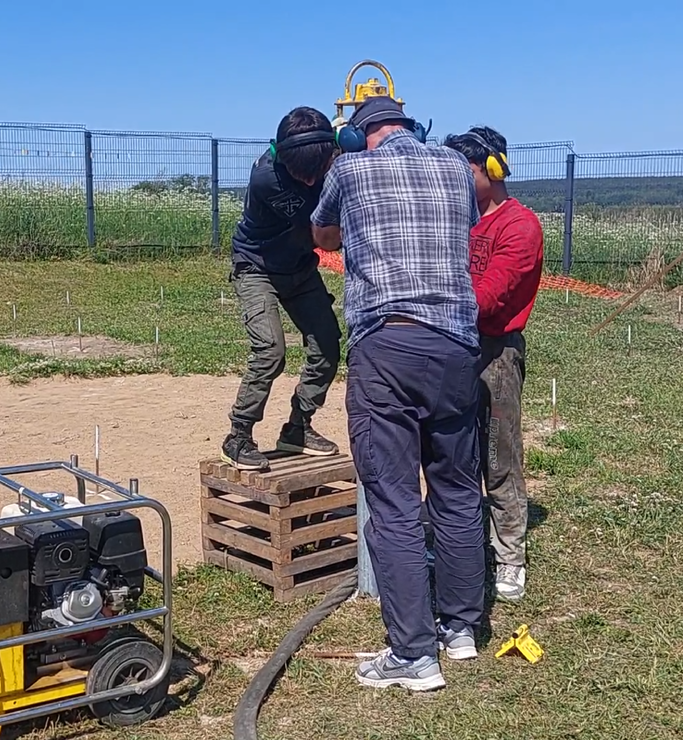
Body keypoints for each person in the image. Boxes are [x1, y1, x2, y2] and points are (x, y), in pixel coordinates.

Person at [311, 96, 485, 691]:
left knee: (393, 503)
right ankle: (460, 629)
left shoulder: (349, 169)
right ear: (411, 127)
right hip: (458, 347)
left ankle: (413, 654)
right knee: (458, 491)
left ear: (359, 136)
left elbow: (322, 231)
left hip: (387, 344)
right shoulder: (456, 170)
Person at [444, 127, 544, 603]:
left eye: (463, 170)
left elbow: (490, 297)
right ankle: (461, 541)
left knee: (499, 457)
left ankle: (509, 557)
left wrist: (435, 301)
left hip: (496, 350)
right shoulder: (458, 219)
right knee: (454, 452)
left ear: (493, 169)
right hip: (455, 343)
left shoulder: (519, 227)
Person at [221, 106, 344, 472]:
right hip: (257, 268)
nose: (308, 181)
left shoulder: (329, 157)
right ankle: (238, 436)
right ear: (283, 157)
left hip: (299, 268)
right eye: (299, 173)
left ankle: (298, 428)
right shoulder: (267, 179)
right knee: (270, 350)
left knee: (327, 345)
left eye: (315, 171)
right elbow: (324, 235)